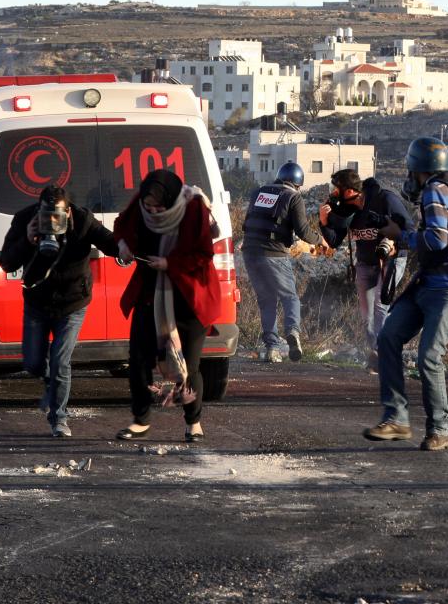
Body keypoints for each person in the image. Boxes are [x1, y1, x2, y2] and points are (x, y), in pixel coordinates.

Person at [364, 137, 448, 452]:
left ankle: (439, 430)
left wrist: (401, 236)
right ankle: (396, 420)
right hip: (428, 281)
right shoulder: (445, 190)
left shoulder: (434, 192)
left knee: (429, 357)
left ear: (416, 169)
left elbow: (437, 240)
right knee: (388, 337)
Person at [0, 184, 120, 438]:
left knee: (60, 360)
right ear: (38, 210)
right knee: (32, 363)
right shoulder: (24, 219)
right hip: (37, 301)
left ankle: (59, 418)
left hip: (72, 302)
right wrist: (27, 239)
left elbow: (109, 242)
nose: (52, 222)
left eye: (58, 216)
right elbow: (7, 262)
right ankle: (50, 382)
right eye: (47, 216)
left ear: (69, 212)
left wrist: (126, 249)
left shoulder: (83, 220)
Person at [112, 170, 221, 443]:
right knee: (137, 359)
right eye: (148, 207)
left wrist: (170, 264)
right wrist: (124, 244)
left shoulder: (193, 207)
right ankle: (140, 420)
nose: (153, 211)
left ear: (172, 201)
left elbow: (204, 254)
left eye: (159, 207)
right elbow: (122, 225)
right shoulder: (141, 204)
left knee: (190, 365)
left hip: (188, 295)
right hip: (152, 293)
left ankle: (193, 422)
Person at [319, 169, 413, 372]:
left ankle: (382, 354)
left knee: (381, 306)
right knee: (367, 314)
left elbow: (409, 228)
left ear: (351, 191)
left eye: (338, 188)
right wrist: (324, 222)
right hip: (365, 263)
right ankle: (376, 356)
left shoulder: (385, 199)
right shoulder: (346, 209)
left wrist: (395, 240)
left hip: (391, 260)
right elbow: (334, 241)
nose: (334, 192)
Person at [241, 162, 326, 363]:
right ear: (297, 183)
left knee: (267, 300)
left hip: (250, 253)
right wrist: (321, 240)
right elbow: (303, 230)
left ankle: (272, 348)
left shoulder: (259, 192)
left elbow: (248, 221)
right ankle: (293, 333)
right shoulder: (293, 196)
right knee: (290, 297)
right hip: (273, 254)